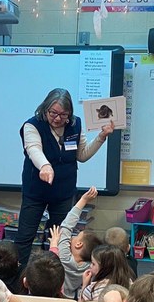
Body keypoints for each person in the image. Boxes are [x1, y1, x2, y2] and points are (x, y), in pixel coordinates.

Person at [16, 88, 115, 267]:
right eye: (53, 113)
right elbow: (33, 149)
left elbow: (82, 155)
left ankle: (52, 277)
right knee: (25, 237)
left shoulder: (75, 124)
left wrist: (101, 137)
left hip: (63, 192)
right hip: (35, 192)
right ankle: (17, 279)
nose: (57, 118)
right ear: (45, 109)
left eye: (63, 114)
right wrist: (45, 166)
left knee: (59, 238)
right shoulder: (32, 125)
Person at [47, 187, 102, 299]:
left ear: (79, 245)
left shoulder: (64, 257)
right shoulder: (87, 267)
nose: (73, 237)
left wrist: (83, 200)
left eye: (77, 236)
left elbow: (67, 226)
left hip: (56, 297)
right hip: (72, 299)